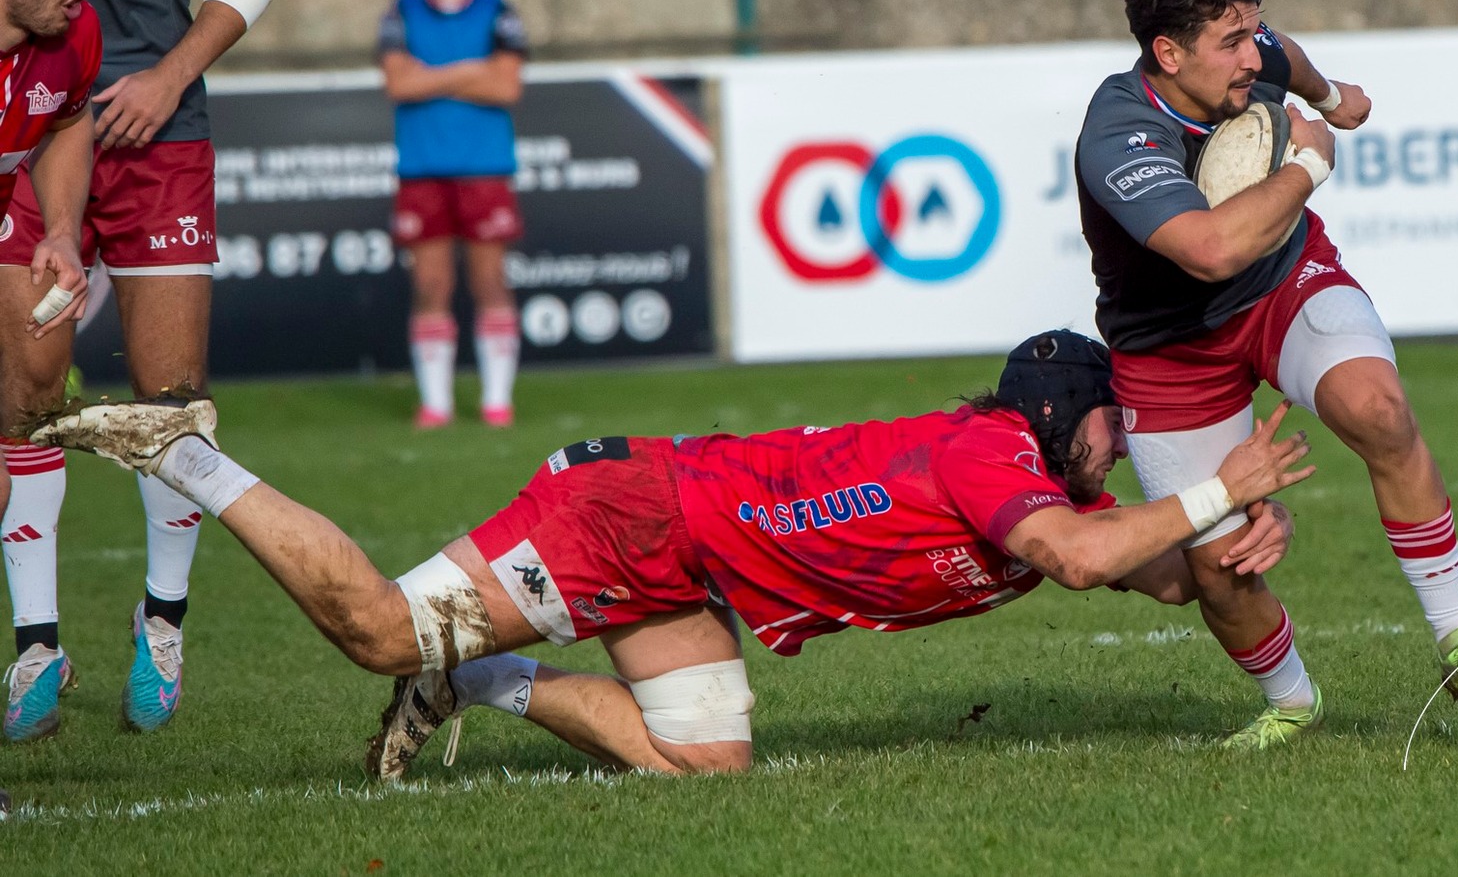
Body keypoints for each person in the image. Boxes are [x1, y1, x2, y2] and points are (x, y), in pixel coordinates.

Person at [23, 330, 1312, 778]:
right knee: (372, 627)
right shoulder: (993, 458)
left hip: (686, 565)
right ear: (1053, 412)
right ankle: (183, 453)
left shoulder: (1036, 485)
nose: (1121, 444)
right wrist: (1216, 487)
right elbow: (1093, 560)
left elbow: (1141, 559)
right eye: (1109, 420)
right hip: (627, 516)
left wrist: (1233, 536)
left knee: (706, 762)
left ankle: (476, 684)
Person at [1073, 0, 1458, 750]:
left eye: (1252, 32)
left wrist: (1331, 95)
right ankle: (1294, 702)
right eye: (1231, 41)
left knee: (1378, 408)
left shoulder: (1249, 55)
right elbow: (1210, 250)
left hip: (1281, 286)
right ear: (1168, 53)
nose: (1252, 55)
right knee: (1219, 566)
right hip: (1168, 347)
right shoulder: (1120, 131)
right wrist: (1310, 162)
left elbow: (1285, 54)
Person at [0, 0, 282, 737]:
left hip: (158, 138)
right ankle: (35, 648)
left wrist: (168, 75)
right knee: (26, 392)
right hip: (29, 139)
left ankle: (160, 624)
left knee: (171, 404)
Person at [0, 0, 102, 739]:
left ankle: (37, 646)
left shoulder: (71, 35)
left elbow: (68, 120)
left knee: (34, 400)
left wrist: (62, 228)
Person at [378, 0, 526, 429]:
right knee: (431, 285)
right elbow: (398, 84)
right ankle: (436, 406)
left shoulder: (498, 10)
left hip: (484, 166)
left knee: (490, 281)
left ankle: (496, 403)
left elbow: (506, 87)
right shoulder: (400, 12)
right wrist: (470, 70)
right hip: (422, 169)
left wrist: (432, 75)